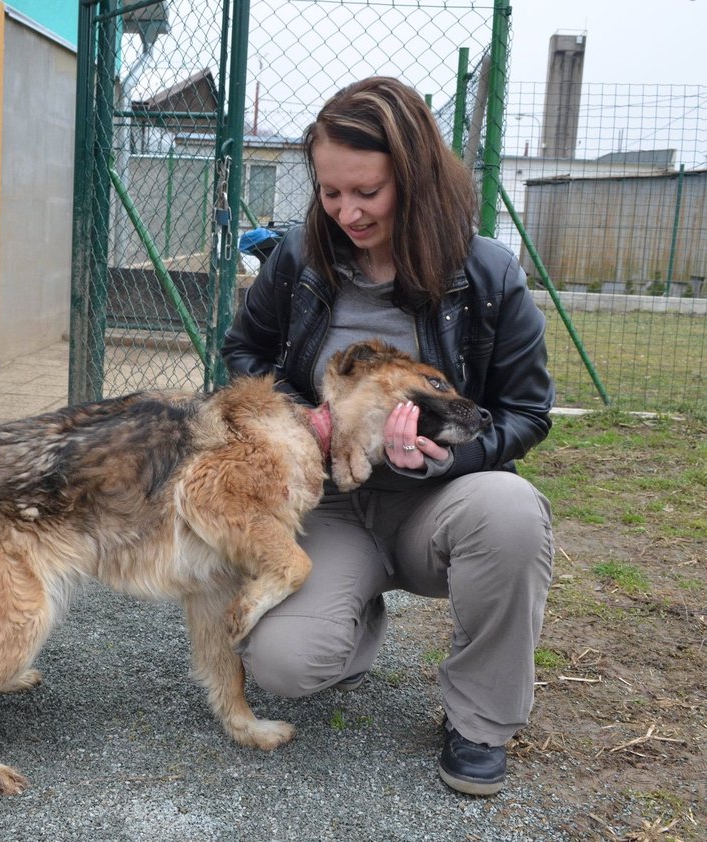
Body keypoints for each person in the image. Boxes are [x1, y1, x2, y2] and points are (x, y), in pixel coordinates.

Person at [221, 76, 555, 797]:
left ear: (414, 175)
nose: (346, 212)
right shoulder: (300, 261)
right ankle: (352, 610)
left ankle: (480, 721)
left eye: (366, 191)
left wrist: (452, 455)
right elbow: (241, 354)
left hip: (437, 504)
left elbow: (528, 412)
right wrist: (296, 415)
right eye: (331, 192)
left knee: (512, 514)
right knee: (284, 666)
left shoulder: (487, 273)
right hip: (329, 503)